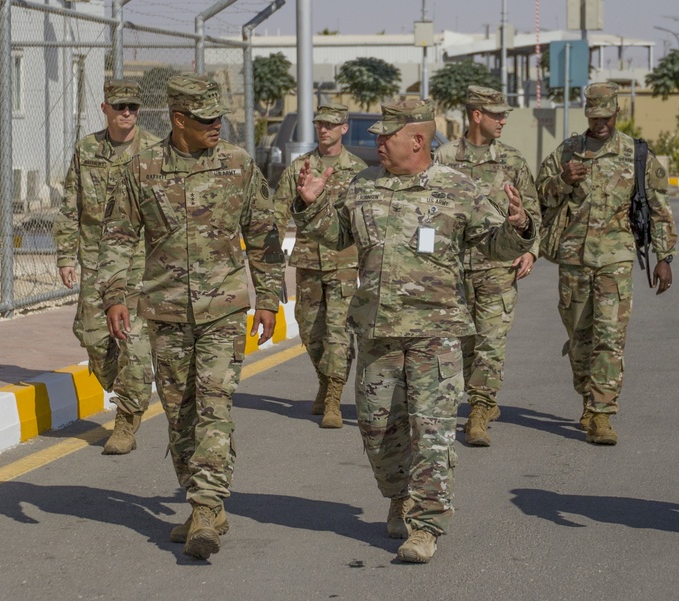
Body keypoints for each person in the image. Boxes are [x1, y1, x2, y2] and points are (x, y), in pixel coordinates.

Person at [291, 99, 535, 563]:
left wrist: (520, 226)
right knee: (378, 431)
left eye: (387, 136)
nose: (377, 143)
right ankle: (398, 494)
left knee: (433, 430)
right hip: (378, 333)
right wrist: (310, 206)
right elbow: (334, 235)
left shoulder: (457, 188)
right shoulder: (363, 185)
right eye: (379, 136)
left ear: (418, 140)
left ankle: (425, 525)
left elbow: (495, 245)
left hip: (436, 333)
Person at [96, 73, 285, 560]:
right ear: (179, 120)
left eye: (219, 117)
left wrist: (267, 298)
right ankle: (204, 499)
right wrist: (115, 295)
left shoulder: (239, 165)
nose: (217, 125)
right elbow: (117, 236)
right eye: (205, 119)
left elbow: (263, 235)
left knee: (214, 404)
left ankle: (205, 507)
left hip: (222, 309)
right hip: (164, 311)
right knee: (180, 413)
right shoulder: (142, 168)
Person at [536, 81, 677, 446]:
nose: (599, 123)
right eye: (593, 116)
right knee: (580, 339)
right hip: (574, 258)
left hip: (616, 258)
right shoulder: (569, 151)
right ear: (587, 114)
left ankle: (602, 413)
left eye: (606, 116)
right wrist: (563, 180)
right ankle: (588, 395)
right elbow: (541, 196)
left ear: (616, 113)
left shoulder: (636, 154)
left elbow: (659, 209)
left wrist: (664, 257)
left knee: (609, 338)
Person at [53, 79, 159, 455]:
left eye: (132, 106)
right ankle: (134, 382)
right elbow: (71, 203)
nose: (126, 112)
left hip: (141, 262)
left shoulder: (155, 151)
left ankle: (126, 422)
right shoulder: (87, 149)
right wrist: (66, 254)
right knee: (92, 335)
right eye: (120, 106)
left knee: (132, 341)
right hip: (97, 259)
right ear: (106, 109)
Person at [434, 85, 541, 447]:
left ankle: (479, 410)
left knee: (491, 341)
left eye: (505, 114)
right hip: (455, 269)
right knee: (464, 342)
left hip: (498, 266)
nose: (503, 120)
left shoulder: (511, 160)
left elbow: (531, 211)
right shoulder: (444, 158)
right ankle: (481, 397)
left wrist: (531, 249)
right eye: (497, 114)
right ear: (476, 115)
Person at [274, 103, 366, 428]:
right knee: (311, 331)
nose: (324, 129)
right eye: (320, 124)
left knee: (338, 333)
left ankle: (333, 400)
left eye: (331, 124)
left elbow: (366, 219)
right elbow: (278, 210)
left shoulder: (357, 170)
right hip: (308, 262)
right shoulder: (300, 167)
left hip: (344, 262)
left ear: (344, 127)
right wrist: (271, 257)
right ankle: (325, 381)